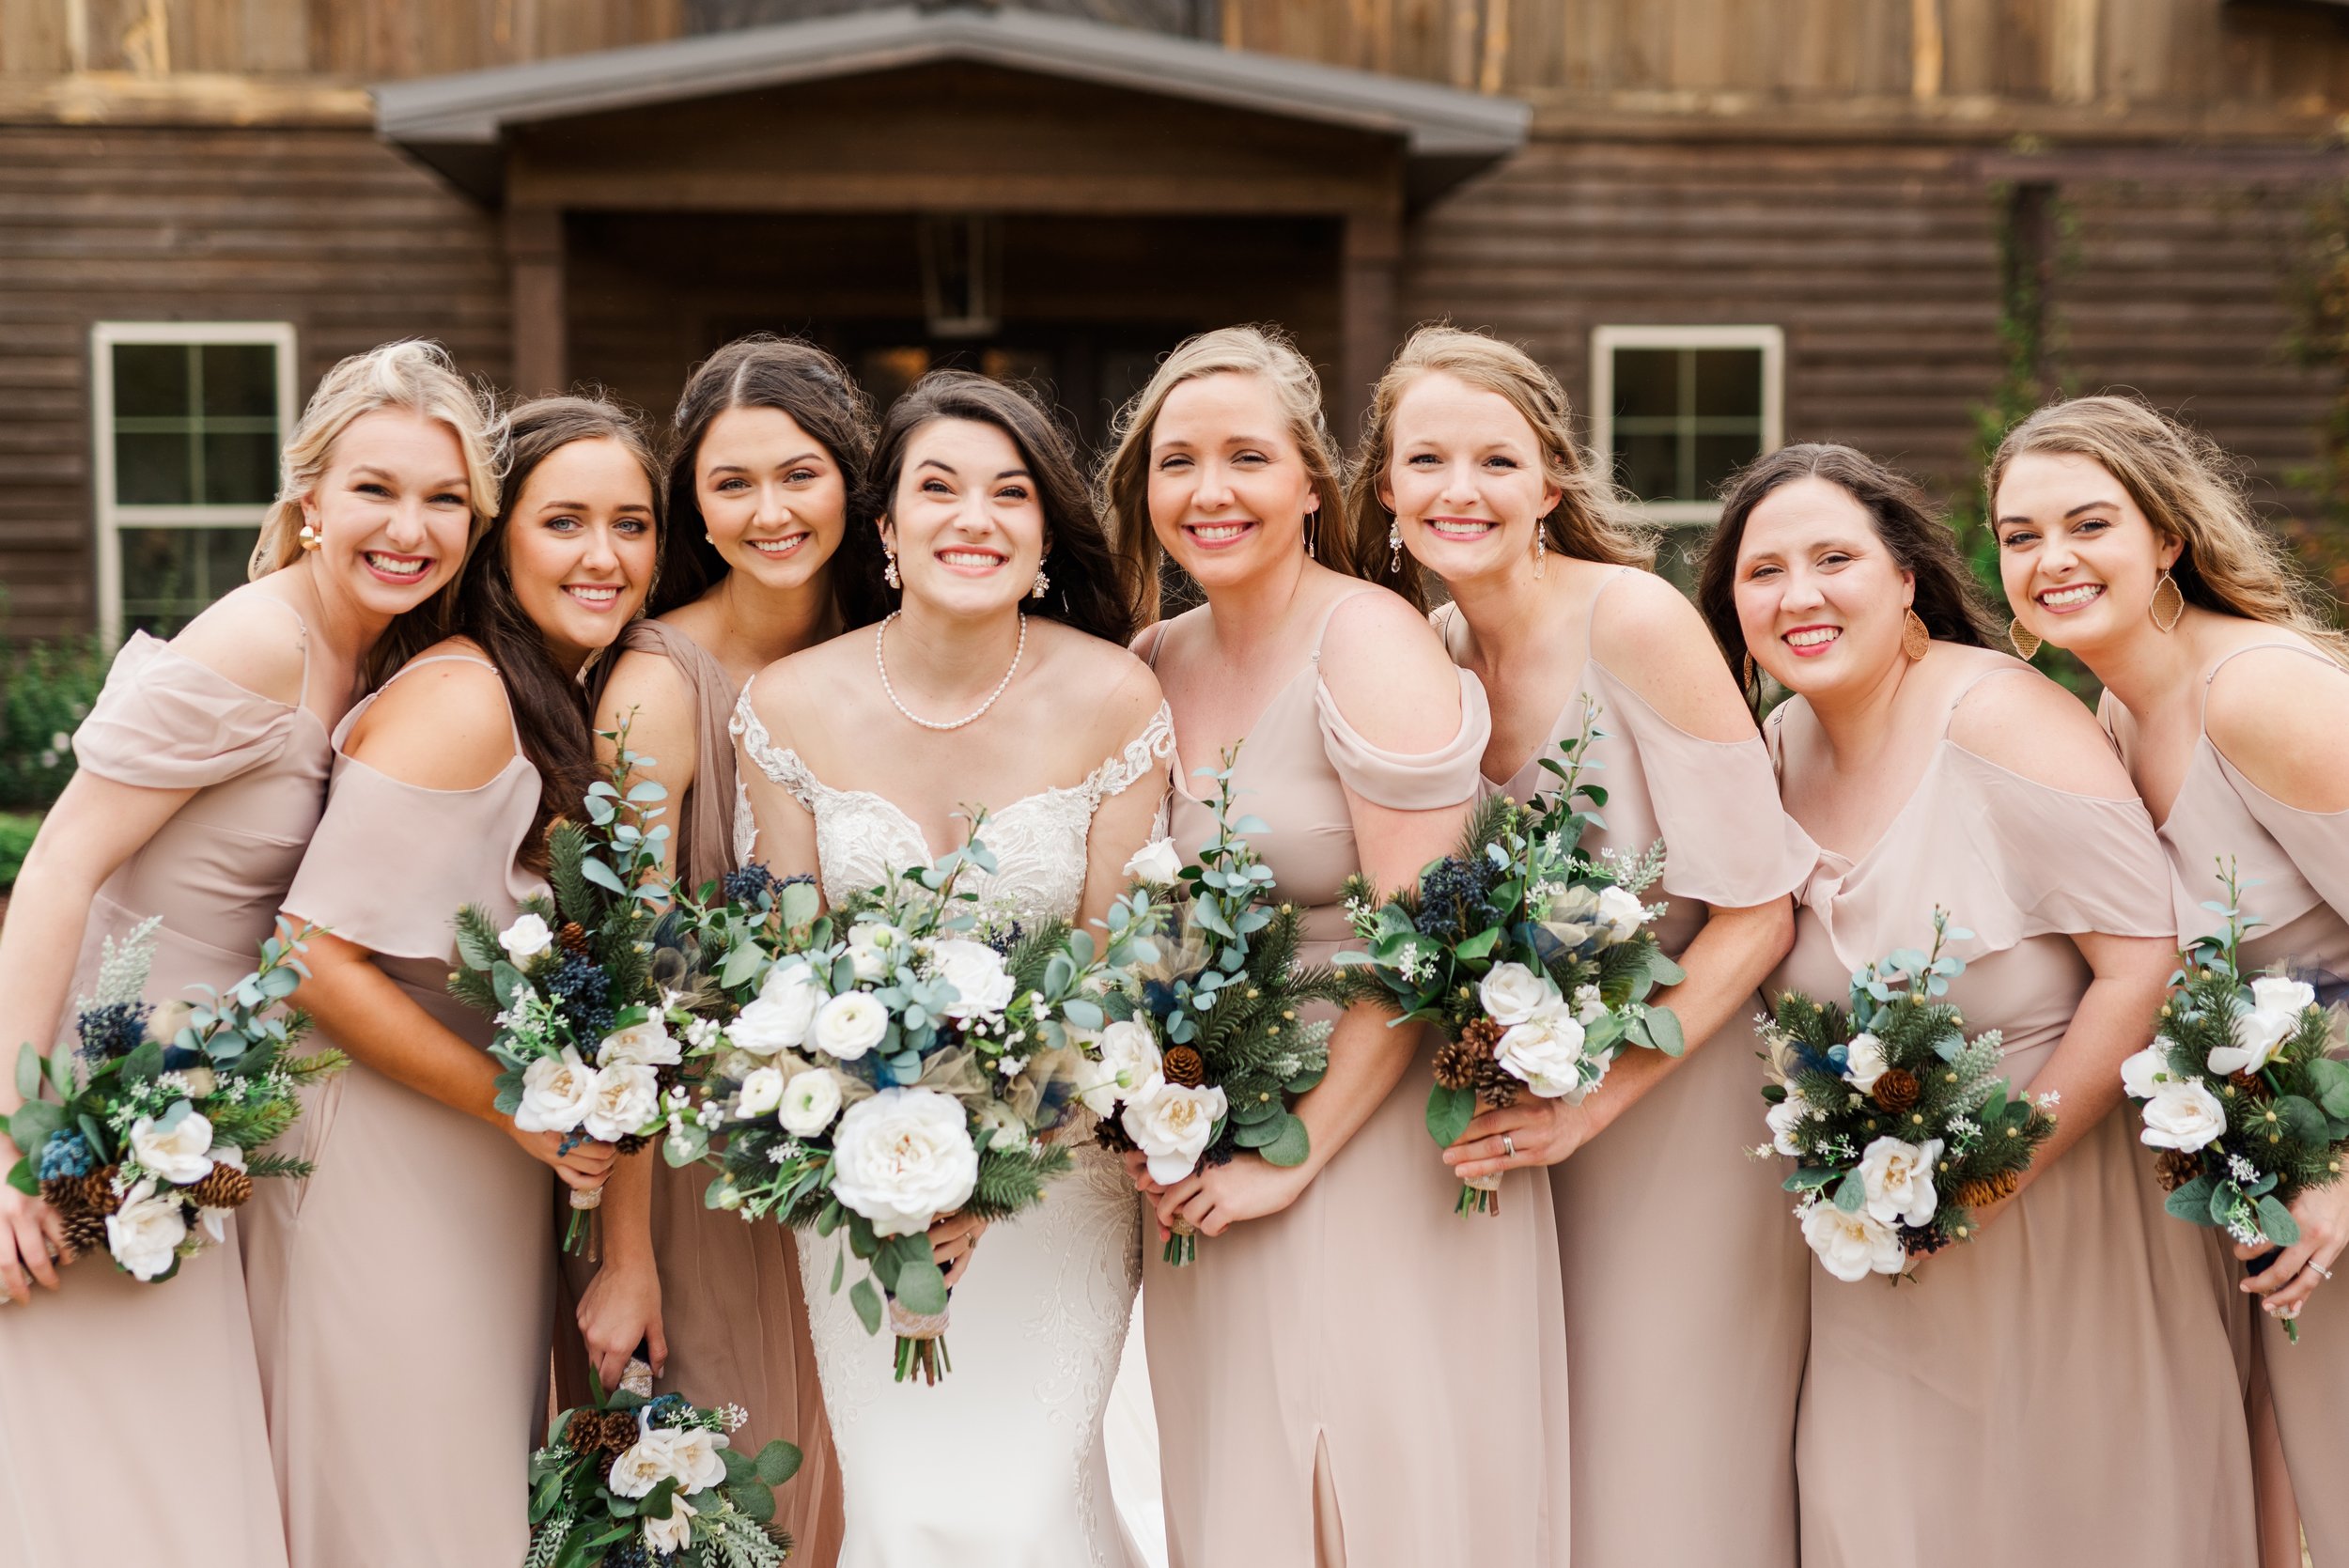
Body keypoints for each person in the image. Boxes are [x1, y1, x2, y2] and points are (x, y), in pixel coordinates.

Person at [1701, 441, 2257, 1567]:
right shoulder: (1773, 748)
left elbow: (2145, 964)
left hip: (2061, 1224)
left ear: (1904, 577)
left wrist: (1990, 1172)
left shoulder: (2002, 719)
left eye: (1832, 558)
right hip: (1877, 1261)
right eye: (1762, 573)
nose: (1797, 595)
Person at [0, 339, 494, 1568]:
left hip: (217, 1119)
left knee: (198, 1487)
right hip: (105, 1108)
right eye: (376, 488)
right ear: (309, 497)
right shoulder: (257, 642)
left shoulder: (381, 658)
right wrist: (17, 1143)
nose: (409, 526)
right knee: (126, 1490)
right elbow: (60, 868)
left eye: (445, 500)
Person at [1112, 325, 1566, 1566]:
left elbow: (1429, 939)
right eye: (1178, 461)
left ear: (1312, 483)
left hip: (1368, 1140)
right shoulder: (1153, 660)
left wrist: (1296, 1152)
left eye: (1247, 457)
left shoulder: (1368, 640)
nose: (1210, 491)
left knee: (1377, 1488)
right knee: (1246, 1491)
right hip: (1210, 1148)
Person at [1353, 324, 1806, 1565]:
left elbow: (1759, 908)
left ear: (1550, 481)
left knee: (1671, 1469)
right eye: (1427, 461)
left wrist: (1596, 1101)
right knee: (1553, 1478)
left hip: (1678, 1108)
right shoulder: (1431, 658)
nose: (1461, 491)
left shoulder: (1639, 622)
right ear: (1385, 488)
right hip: (1522, 1121)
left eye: (1495, 460)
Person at [735, 369, 1169, 1568]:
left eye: (1009, 493)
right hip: (861, 1179)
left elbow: (1111, 959)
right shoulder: (787, 705)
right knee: (901, 1508)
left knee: (1020, 1504)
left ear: (1040, 537)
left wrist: (994, 1166)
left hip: (1056, 1169)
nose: (971, 517)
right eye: (937, 487)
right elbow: (785, 960)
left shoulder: (1114, 695)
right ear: (884, 530)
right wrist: (877, 1152)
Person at [244, 396, 661, 1566]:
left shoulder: (556, 698)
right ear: (499, 540)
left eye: (631, 524)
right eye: (563, 520)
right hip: (379, 1161)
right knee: (403, 1504)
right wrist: (514, 1106)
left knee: (453, 1494)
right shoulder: (465, 696)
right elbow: (310, 953)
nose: (603, 555)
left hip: (469, 1165)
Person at [1993, 393, 2349, 1566]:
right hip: (2267, 1187)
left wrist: (2341, 1171)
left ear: (2168, 538)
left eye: (2088, 524)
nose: (2050, 561)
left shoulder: (2258, 692)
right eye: (2018, 534)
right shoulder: (2109, 714)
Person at [565, 338, 872, 1565]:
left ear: (852, 479)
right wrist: (626, 1254)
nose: (769, 511)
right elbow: (630, 982)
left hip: (888, 1146)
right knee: (749, 1499)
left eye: (798, 475)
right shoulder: (653, 681)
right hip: (705, 1170)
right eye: (731, 483)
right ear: (693, 501)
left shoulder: (904, 648)